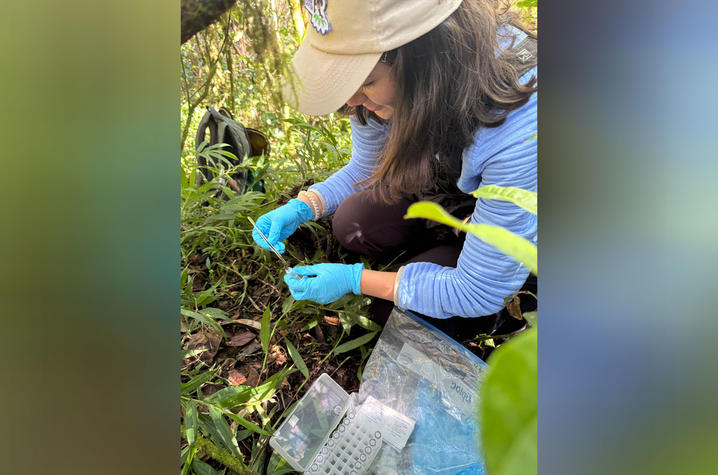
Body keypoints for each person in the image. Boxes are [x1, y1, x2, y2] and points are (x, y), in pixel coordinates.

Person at [252, 0, 537, 340]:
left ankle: (510, 310)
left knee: (398, 314)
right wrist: (305, 206)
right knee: (354, 223)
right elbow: (367, 166)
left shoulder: (522, 126)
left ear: (422, 53)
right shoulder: (396, 88)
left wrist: (355, 281)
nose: (353, 98)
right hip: (466, 203)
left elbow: (476, 289)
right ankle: (445, 246)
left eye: (365, 82)